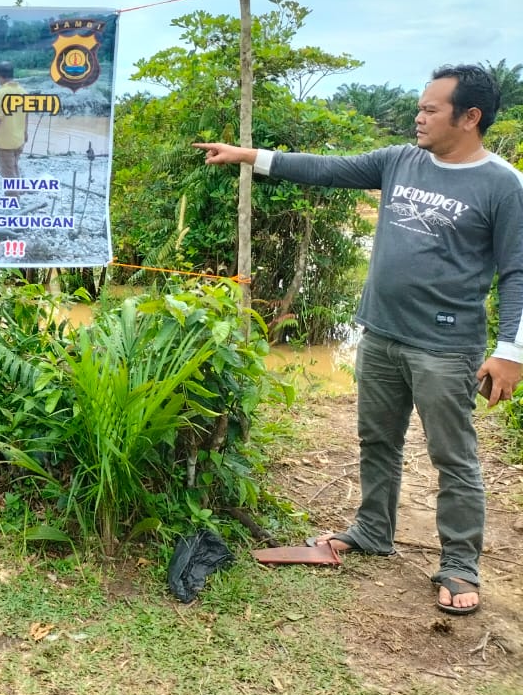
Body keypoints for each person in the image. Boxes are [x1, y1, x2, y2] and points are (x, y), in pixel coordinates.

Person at [193, 63, 523, 616]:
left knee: (453, 458)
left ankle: (460, 564)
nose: (418, 117)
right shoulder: (400, 160)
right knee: (377, 440)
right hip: (381, 333)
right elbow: (327, 168)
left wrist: (510, 352)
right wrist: (249, 156)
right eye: (419, 107)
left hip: (445, 347)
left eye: (430, 109)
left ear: (470, 117)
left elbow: (518, 271)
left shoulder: (501, 184)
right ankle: (373, 529)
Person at [0, 61, 27, 177]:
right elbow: (26, 115)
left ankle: (13, 195)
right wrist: (25, 132)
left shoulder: (1, 93)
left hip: (5, 142)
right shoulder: (23, 92)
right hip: (19, 139)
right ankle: (18, 192)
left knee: (8, 173)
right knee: (14, 166)